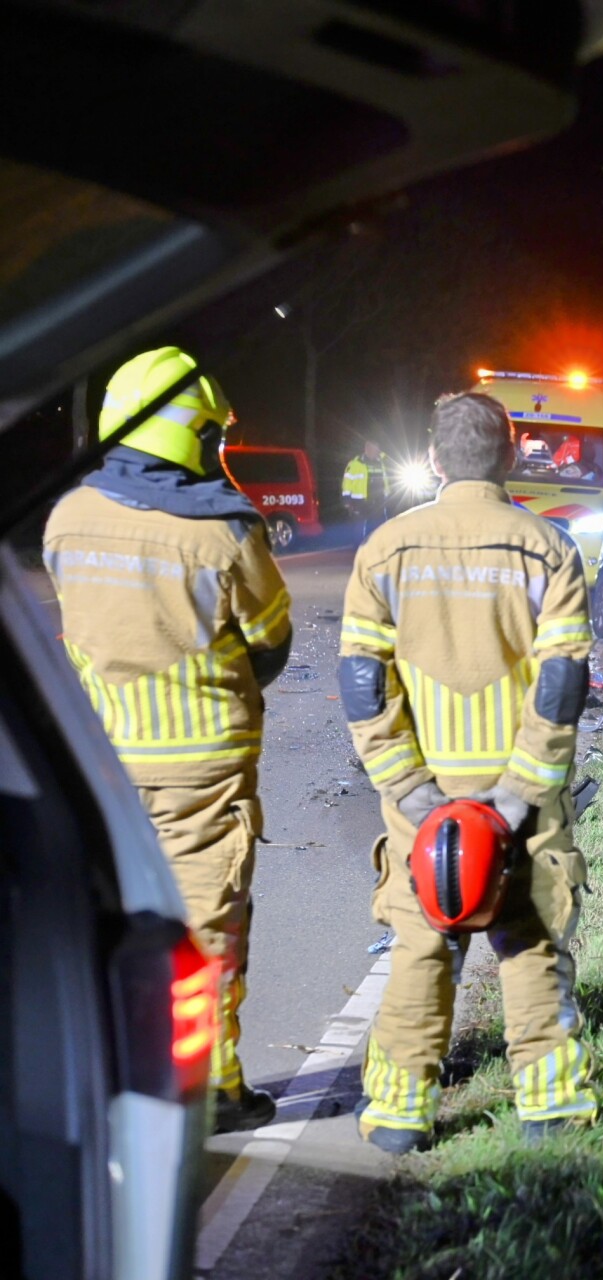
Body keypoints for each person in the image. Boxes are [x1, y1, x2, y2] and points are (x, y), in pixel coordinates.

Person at [339, 392, 597, 1152]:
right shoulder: (548, 548)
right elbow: (562, 682)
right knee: (531, 940)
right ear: (511, 456)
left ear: (436, 461)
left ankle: (397, 1115)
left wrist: (410, 791)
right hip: (523, 793)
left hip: (424, 794)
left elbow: (362, 679)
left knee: (420, 947)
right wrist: (519, 794)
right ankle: (550, 1109)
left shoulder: (384, 549)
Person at [44, 347, 293, 1133]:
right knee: (206, 926)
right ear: (199, 435)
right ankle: (211, 1090)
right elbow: (270, 640)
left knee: (111, 919)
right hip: (201, 767)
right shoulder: (225, 530)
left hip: (99, 761)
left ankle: (108, 1070)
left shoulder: (66, 514)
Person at [342, 439, 388, 539]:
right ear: (367, 448)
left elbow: (385, 480)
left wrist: (387, 495)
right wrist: (347, 499)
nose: (377, 451)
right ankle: (358, 550)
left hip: (378, 500)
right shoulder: (355, 463)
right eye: (375, 449)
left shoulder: (381, 462)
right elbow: (347, 483)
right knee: (359, 529)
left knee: (379, 527)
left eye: (378, 449)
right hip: (360, 501)